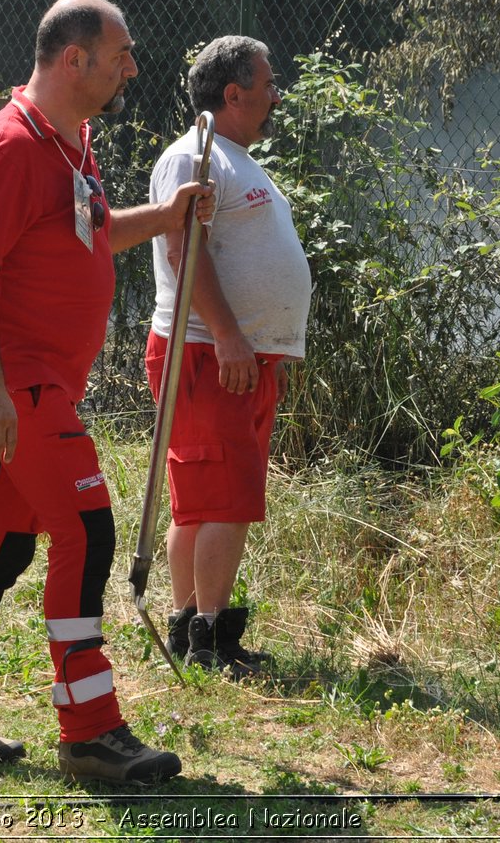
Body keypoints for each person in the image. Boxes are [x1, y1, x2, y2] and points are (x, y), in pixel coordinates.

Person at [0, 0, 209, 784]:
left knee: (0, 543)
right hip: (21, 388)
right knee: (87, 530)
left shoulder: (73, 143)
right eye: (120, 54)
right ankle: (89, 732)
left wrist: (168, 215)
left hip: (37, 387)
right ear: (73, 60)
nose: (131, 68)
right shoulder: (8, 146)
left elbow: (94, 232)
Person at [146, 36, 311, 676]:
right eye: (267, 84)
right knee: (225, 499)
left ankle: (193, 630)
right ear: (233, 93)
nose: (276, 96)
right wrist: (229, 337)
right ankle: (209, 639)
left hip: (231, 356)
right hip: (209, 354)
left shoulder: (234, 158)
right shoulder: (194, 158)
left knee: (205, 497)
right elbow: (186, 253)